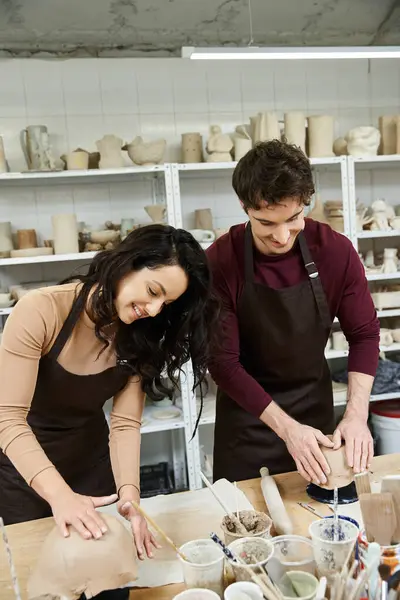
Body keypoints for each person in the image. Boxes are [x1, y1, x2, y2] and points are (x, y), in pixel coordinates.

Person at [0, 224, 219, 560]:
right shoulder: (41, 311)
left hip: (91, 464)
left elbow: (125, 424)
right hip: (26, 474)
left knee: (108, 577)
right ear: (126, 264)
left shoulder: (141, 335)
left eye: (167, 302)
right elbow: (8, 419)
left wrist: (130, 499)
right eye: (153, 290)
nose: (155, 309)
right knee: (43, 579)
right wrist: (60, 496)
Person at [206, 140, 380, 486]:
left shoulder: (334, 252)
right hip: (247, 426)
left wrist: (357, 415)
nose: (282, 235)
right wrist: (286, 429)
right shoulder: (221, 261)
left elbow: (364, 334)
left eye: (294, 218)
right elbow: (223, 364)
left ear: (305, 202)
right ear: (244, 206)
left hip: (315, 417)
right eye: (267, 223)